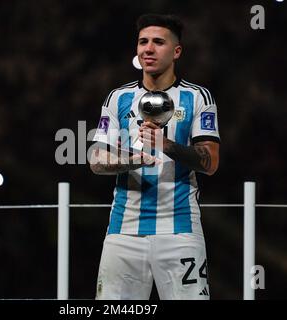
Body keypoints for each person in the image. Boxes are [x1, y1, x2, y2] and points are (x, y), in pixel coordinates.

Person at [90, 13, 220, 300]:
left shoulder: (197, 97)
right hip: (123, 231)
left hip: (181, 231)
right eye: (143, 42)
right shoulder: (118, 98)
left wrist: (166, 145)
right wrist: (137, 159)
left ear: (176, 51)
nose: (148, 49)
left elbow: (211, 161)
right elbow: (96, 160)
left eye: (158, 42)